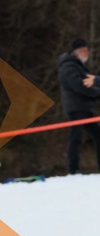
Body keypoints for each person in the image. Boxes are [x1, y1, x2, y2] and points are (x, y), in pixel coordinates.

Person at [58, 38, 100, 174]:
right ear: (77, 52)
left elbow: (89, 83)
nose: (87, 53)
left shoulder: (78, 65)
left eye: (87, 50)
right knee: (76, 136)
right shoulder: (68, 66)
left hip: (84, 107)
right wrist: (97, 93)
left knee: (97, 134)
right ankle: (73, 169)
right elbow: (79, 86)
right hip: (76, 107)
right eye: (84, 51)